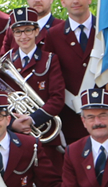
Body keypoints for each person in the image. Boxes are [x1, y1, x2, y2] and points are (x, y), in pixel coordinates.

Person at [47, 0, 97, 143]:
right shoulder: (54, 35)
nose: (75, 1)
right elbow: (52, 77)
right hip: (71, 119)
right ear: (62, 2)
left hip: (104, 117)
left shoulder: (106, 30)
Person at [4, 8, 66, 141]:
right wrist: (12, 123)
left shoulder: (49, 60)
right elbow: (1, 98)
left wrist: (32, 119)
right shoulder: (7, 61)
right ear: (13, 34)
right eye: (18, 32)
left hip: (43, 132)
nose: (23, 36)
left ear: (36, 31)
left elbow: (57, 98)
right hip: (14, 135)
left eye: (28, 30)